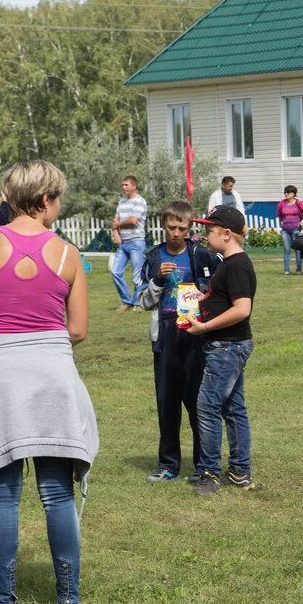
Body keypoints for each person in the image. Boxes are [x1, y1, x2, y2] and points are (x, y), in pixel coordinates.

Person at [0, 160, 96, 604]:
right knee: (57, 494)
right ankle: (69, 602)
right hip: (53, 377)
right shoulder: (68, 255)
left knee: (3, 497)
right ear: (47, 199)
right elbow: (79, 329)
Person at [137, 201, 220, 484]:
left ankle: (203, 465)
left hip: (192, 329)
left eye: (182, 228)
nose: (176, 233)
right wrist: (158, 280)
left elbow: (219, 290)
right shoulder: (153, 258)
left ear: (189, 228)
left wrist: (203, 294)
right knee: (167, 402)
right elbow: (143, 302)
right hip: (165, 333)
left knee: (197, 402)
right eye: (171, 227)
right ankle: (169, 465)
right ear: (163, 224)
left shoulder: (201, 255)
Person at [184, 206, 258, 494]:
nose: (204, 236)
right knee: (233, 407)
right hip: (229, 344)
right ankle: (240, 473)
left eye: (209, 231)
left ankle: (210, 472)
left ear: (227, 234)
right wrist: (202, 298)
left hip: (227, 345)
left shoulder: (236, 265)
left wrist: (204, 327)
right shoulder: (227, 263)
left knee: (207, 404)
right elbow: (226, 299)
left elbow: (242, 309)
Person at [111, 175, 147, 312]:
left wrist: (117, 224)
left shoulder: (140, 201)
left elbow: (133, 220)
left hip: (136, 242)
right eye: (123, 185)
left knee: (137, 275)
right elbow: (115, 220)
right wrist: (115, 233)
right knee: (115, 271)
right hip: (123, 243)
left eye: (126, 185)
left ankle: (138, 303)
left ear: (134, 186)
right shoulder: (122, 202)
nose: (123, 187)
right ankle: (127, 301)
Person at [276, 186, 303, 274]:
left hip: (296, 229)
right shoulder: (282, 203)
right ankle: (286, 270)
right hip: (285, 230)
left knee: (298, 250)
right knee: (287, 250)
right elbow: (279, 214)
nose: (286, 194)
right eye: (285, 192)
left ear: (293, 194)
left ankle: (298, 270)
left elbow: (302, 213)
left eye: (288, 192)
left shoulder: (298, 203)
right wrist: (284, 221)